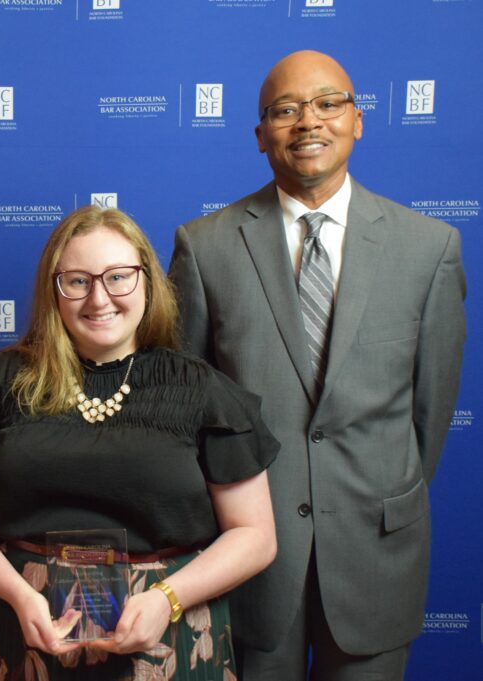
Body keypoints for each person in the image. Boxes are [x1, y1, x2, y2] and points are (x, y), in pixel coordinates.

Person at [169, 50, 466, 680]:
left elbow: (429, 414)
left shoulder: (428, 247)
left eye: (329, 104)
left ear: (358, 119)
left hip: (377, 553)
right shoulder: (205, 246)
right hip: (250, 562)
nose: (309, 121)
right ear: (260, 136)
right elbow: (185, 410)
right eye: (285, 110)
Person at [0, 204, 278, 680]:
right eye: (78, 280)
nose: (99, 297)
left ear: (147, 282)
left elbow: (255, 536)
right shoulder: (3, 381)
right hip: (25, 621)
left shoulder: (201, 389)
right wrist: (17, 592)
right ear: (55, 290)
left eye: (118, 277)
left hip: (166, 628)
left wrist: (166, 599)